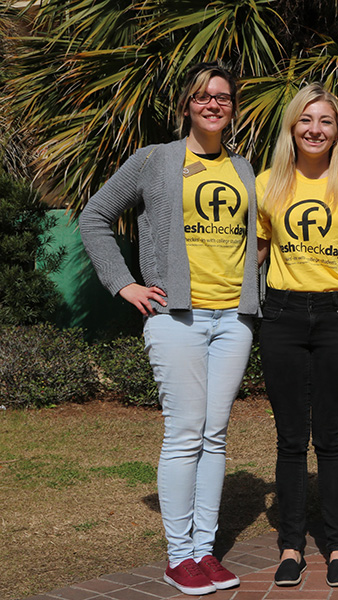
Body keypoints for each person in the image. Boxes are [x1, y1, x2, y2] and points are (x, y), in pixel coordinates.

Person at [80, 62, 258, 596]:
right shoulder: (155, 160)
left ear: (233, 107)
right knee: (184, 435)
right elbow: (94, 217)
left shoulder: (245, 168)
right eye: (203, 96)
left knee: (215, 434)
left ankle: (205, 550)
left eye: (222, 97)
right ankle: (179, 556)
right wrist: (124, 284)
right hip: (177, 318)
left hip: (235, 319)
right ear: (187, 104)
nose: (213, 104)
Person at [255, 83, 338, 588]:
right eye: (306, 120)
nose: (315, 129)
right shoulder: (267, 183)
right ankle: (291, 546)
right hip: (284, 317)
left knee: (331, 439)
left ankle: (337, 545)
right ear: (292, 127)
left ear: (337, 132)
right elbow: (255, 258)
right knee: (291, 440)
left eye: (325, 122)